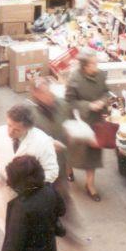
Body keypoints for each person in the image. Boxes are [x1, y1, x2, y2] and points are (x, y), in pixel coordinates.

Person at [0, 105, 58, 231]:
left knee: (24, 237)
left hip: (29, 201)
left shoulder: (42, 142)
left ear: (28, 128)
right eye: (8, 125)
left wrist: (27, 186)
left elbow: (52, 172)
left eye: (16, 129)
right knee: (7, 230)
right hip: (5, 196)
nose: (9, 132)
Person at [29, 78, 82, 238]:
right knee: (46, 198)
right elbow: (29, 140)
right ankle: (50, 224)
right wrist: (50, 144)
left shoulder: (61, 104)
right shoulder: (30, 114)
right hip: (42, 166)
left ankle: (69, 225)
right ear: (35, 94)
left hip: (60, 162)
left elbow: (69, 121)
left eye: (49, 90)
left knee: (63, 194)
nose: (49, 95)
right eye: (44, 92)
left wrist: (71, 133)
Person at [65, 49, 110, 201]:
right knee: (73, 150)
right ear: (84, 66)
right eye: (93, 64)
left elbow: (106, 92)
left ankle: (90, 185)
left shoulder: (101, 76)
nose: (96, 66)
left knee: (92, 154)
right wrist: (88, 106)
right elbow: (69, 101)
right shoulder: (74, 79)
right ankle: (68, 169)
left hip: (95, 122)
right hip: (79, 121)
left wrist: (103, 101)